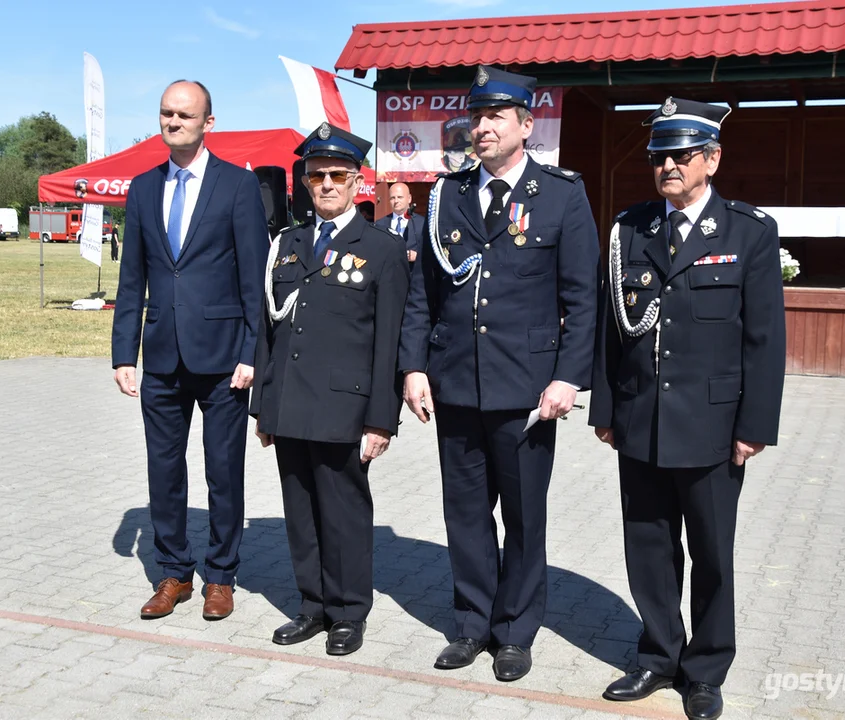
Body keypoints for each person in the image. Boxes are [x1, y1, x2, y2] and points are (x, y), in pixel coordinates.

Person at [399, 65, 600, 682]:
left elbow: (582, 298)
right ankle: (471, 623)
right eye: (476, 116)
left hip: (527, 391)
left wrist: (569, 377)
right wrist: (412, 367)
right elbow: (421, 295)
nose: (482, 127)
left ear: (525, 125)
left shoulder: (562, 195)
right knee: (463, 513)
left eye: (496, 117)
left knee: (522, 514)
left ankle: (515, 631)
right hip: (455, 380)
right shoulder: (446, 196)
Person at [589, 97, 786, 720]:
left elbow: (764, 340)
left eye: (681, 155)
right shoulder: (631, 229)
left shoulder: (748, 232)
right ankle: (657, 654)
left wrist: (753, 426)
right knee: (648, 547)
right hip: (641, 420)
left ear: (712, 159)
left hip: (711, 425)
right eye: (658, 155)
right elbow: (608, 331)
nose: (668, 165)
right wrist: (605, 409)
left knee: (712, 552)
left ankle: (705, 669)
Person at [111, 80, 270, 622]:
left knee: (223, 470)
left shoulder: (236, 187)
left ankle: (220, 575)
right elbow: (132, 277)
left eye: (184, 114)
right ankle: (174, 573)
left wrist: (253, 351)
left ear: (208, 122)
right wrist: (122, 354)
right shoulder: (142, 187)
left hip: (225, 357)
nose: (173, 122)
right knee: (163, 469)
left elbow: (255, 278)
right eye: (166, 113)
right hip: (159, 357)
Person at [250, 122, 409, 657]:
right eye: (315, 175)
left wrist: (381, 420)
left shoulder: (381, 248)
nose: (324, 185)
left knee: (343, 512)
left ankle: (347, 612)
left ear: (357, 180)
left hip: (346, 407)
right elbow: (267, 332)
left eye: (336, 175)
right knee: (300, 508)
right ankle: (312, 605)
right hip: (290, 402)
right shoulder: (287, 245)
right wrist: (263, 407)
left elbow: (388, 343)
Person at [374, 182, 424, 268]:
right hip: (389, 276)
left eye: (400, 197)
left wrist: (418, 256)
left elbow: (430, 252)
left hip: (412, 275)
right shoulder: (379, 224)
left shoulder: (422, 223)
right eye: (392, 198)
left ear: (409, 198)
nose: (396, 201)